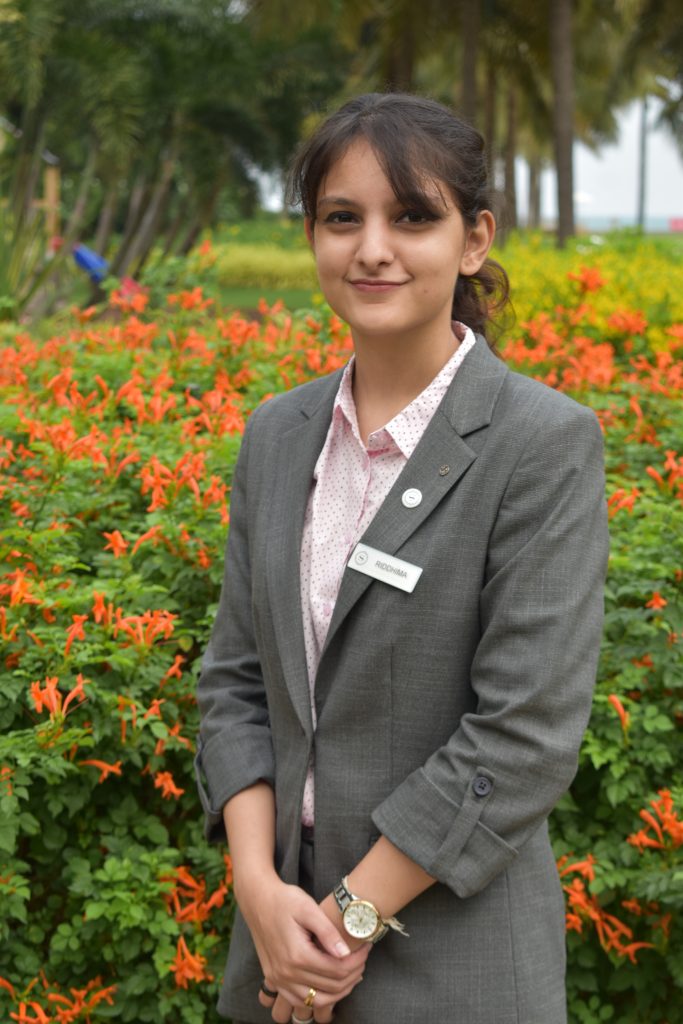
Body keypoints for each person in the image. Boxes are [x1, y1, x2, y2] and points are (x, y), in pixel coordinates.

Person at [195, 92, 609, 1024]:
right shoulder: (277, 435)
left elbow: (522, 735)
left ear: (473, 239)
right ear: (311, 236)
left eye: (412, 216)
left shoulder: (539, 444)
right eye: (343, 218)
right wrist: (258, 889)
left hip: (453, 974)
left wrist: (346, 921)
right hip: (273, 962)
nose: (372, 248)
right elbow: (235, 682)